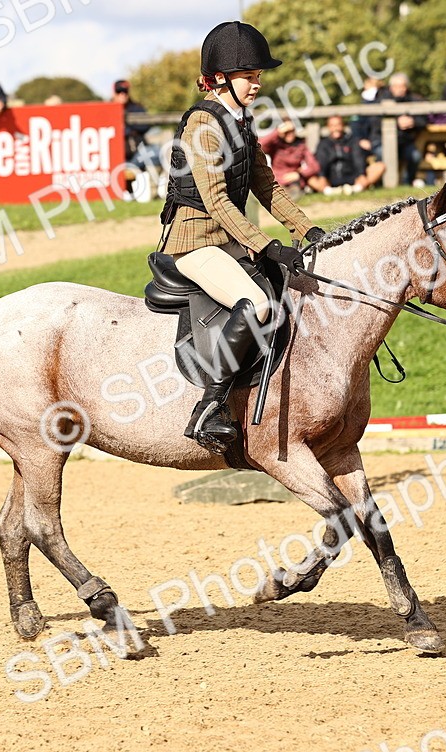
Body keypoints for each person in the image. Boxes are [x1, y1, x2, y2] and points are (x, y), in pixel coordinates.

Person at [158, 20, 325, 453]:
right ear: (219, 80)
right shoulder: (203, 126)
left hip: (226, 240)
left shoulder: (242, 123)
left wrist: (307, 228)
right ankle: (210, 408)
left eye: (258, 76)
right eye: (249, 76)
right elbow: (215, 201)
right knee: (259, 304)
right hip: (193, 243)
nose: (257, 84)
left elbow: (266, 186)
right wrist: (264, 244)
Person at [354, 72, 426, 185]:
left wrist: (413, 122)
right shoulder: (380, 98)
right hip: (380, 140)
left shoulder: (414, 99)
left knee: (415, 156)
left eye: (403, 86)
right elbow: (373, 121)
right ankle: (386, 184)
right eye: (397, 86)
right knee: (385, 154)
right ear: (391, 87)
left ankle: (407, 183)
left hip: (404, 142)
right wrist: (397, 122)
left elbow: (425, 119)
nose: (400, 89)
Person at [315, 114, 385, 193]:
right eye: (332, 125)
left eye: (338, 125)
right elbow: (321, 163)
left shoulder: (352, 141)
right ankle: (328, 191)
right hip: (331, 179)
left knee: (380, 166)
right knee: (312, 178)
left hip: (353, 177)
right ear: (328, 127)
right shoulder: (323, 144)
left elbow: (358, 159)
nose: (335, 128)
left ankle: (356, 188)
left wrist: (361, 174)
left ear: (343, 125)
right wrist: (322, 177)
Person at [259, 119, 327, 197]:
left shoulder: (301, 145)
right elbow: (260, 145)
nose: (289, 134)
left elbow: (314, 166)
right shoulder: (275, 145)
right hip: (278, 180)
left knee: (311, 181)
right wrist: (277, 132)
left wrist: (299, 174)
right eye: (286, 132)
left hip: (295, 180)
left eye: (292, 131)